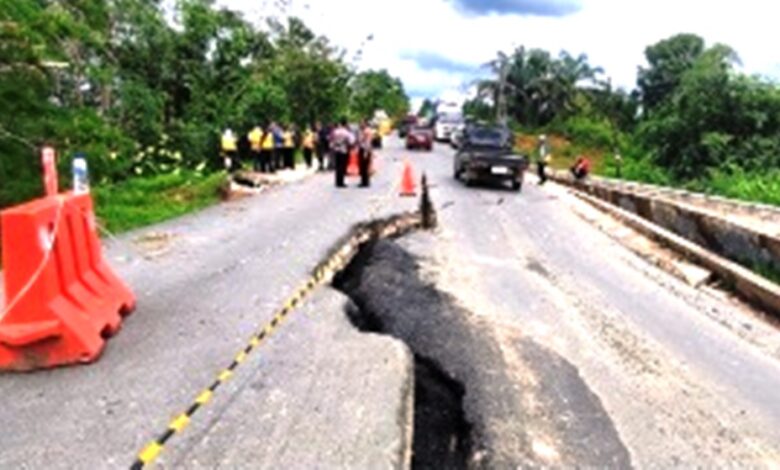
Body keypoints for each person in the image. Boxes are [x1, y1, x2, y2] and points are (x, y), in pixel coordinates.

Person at [330, 119, 355, 188]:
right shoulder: (346, 132)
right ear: (346, 124)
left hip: (336, 150)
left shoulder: (335, 131)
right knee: (343, 166)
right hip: (344, 151)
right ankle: (341, 182)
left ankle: (337, 181)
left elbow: (331, 141)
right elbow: (351, 141)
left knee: (337, 166)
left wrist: (334, 146)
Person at [358, 121, 374, 187]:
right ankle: (364, 181)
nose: (360, 124)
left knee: (364, 167)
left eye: (361, 123)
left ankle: (365, 182)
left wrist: (366, 152)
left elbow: (367, 142)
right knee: (364, 166)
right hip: (365, 149)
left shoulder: (366, 131)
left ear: (365, 123)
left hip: (364, 150)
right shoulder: (365, 131)